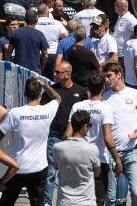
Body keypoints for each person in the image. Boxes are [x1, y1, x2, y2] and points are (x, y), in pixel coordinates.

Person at [0, 77, 61, 206]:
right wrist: (45, 85)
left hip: (18, 167)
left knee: (6, 202)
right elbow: (57, 98)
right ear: (40, 95)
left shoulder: (15, 113)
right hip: (39, 167)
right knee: (37, 203)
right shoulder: (47, 111)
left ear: (25, 94)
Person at [66, 74, 123, 206]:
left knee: (78, 197)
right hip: (99, 159)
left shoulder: (77, 106)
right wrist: (117, 159)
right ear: (103, 88)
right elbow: (108, 138)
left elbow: (68, 134)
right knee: (98, 200)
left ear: (88, 88)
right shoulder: (106, 108)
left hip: (77, 157)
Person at [102, 62, 137, 206]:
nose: (106, 79)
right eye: (104, 76)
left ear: (119, 75)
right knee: (111, 198)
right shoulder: (105, 97)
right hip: (111, 154)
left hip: (132, 152)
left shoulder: (135, 94)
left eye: (109, 76)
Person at [42, 62, 90, 206]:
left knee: (71, 173)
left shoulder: (80, 92)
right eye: (55, 71)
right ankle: (46, 202)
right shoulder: (50, 92)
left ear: (68, 74)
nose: (54, 74)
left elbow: (85, 115)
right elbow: (43, 112)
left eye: (58, 72)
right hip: (54, 137)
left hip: (73, 140)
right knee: (50, 173)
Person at [53, 110, 102, 206]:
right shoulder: (92, 149)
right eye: (89, 126)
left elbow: (56, 167)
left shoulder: (58, 147)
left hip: (65, 201)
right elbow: (96, 173)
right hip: (86, 201)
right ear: (84, 126)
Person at [7, 8, 50, 74]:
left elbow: (8, 54)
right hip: (34, 71)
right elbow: (45, 56)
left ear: (25, 20)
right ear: (36, 20)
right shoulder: (39, 35)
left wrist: (12, 69)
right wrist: (40, 70)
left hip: (18, 70)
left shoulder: (16, 33)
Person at [37, 2, 70, 79]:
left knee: (38, 80)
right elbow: (67, 37)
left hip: (38, 55)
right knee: (53, 80)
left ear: (38, 13)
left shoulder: (33, 23)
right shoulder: (57, 23)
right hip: (54, 55)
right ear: (48, 13)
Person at [113, 0, 137, 67]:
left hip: (124, 55)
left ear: (119, 7)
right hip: (118, 54)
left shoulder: (130, 19)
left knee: (125, 75)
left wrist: (132, 41)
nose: (114, 7)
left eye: (114, 5)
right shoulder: (120, 17)